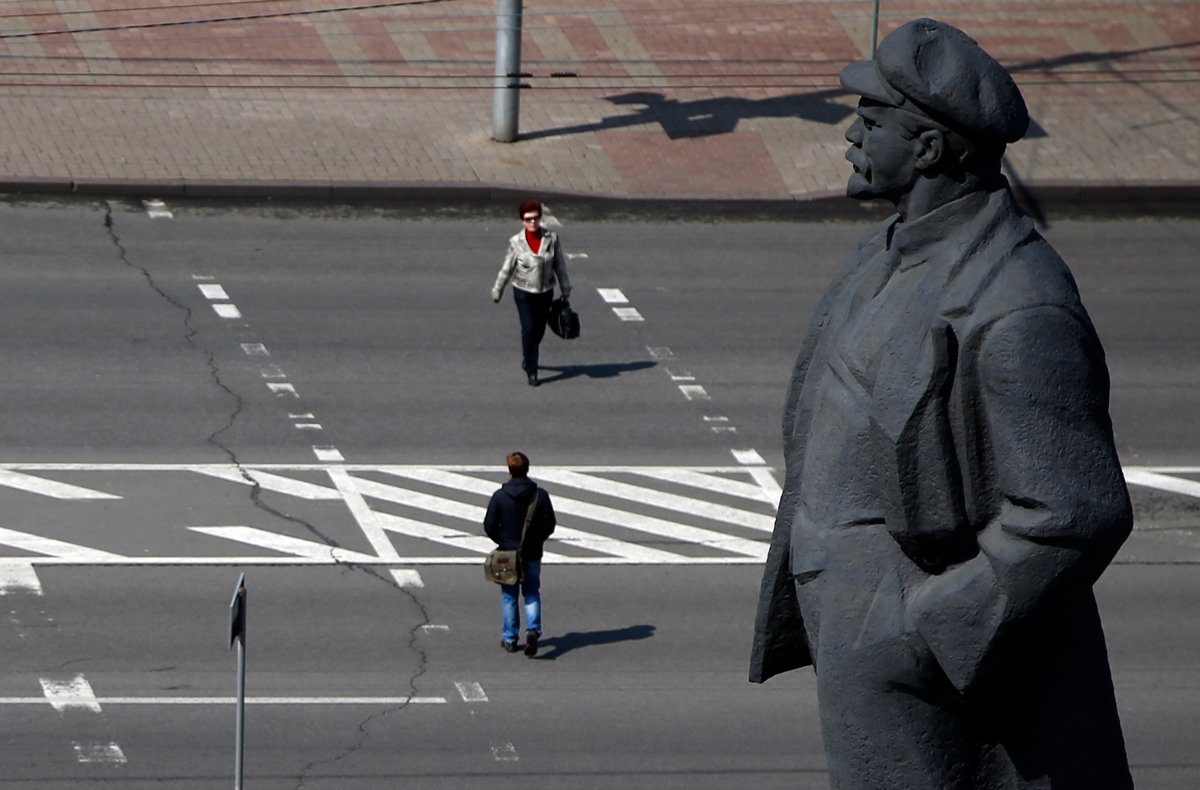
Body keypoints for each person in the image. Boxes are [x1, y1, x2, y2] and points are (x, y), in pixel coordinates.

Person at [750, 19, 1133, 789]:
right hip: (861, 634)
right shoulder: (887, 251)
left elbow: (1074, 512)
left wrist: (923, 631)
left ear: (927, 149)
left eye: (870, 121)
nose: (850, 135)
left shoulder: (1018, 305)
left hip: (929, 659)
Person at [491, 199, 572, 387]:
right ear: (522, 221)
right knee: (528, 329)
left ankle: (529, 355)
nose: (532, 222)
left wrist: (565, 288)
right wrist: (498, 290)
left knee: (539, 330)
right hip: (523, 292)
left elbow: (560, 265)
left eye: (535, 218)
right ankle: (532, 370)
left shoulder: (551, 239)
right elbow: (507, 268)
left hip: (545, 292)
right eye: (528, 219)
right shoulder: (516, 242)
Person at [484, 451, 557, 656]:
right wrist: (536, 540)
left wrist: (503, 540)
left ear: (510, 470)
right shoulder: (540, 495)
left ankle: (510, 639)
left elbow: (489, 525)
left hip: (507, 553)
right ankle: (532, 630)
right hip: (532, 553)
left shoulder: (500, 496)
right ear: (527, 469)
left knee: (509, 596)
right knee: (532, 591)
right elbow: (549, 524)